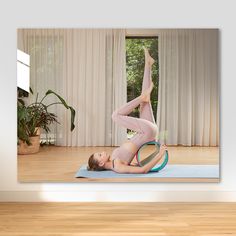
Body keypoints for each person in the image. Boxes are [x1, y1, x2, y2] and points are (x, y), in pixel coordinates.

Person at [87, 47, 168, 174]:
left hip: (145, 131)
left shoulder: (114, 159)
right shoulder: (117, 166)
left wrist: (133, 163)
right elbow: (143, 170)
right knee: (115, 116)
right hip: (146, 132)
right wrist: (160, 154)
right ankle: (142, 97)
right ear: (101, 163)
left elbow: (135, 161)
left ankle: (148, 64)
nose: (102, 152)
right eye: (99, 155)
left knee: (145, 102)